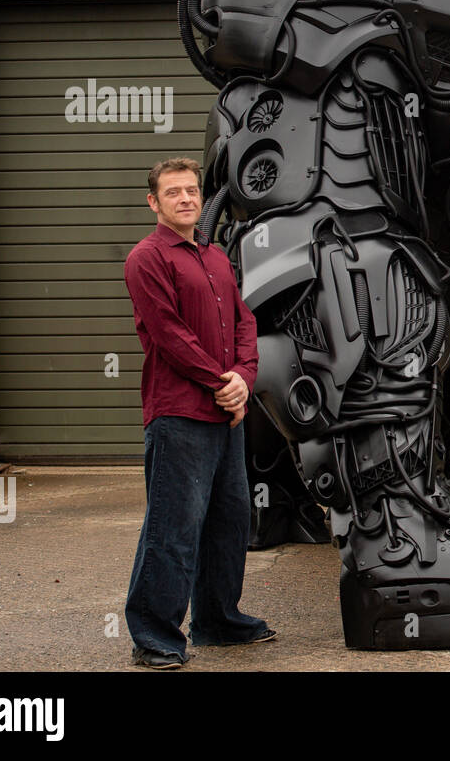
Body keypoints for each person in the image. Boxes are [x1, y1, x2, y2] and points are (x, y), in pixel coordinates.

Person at [123, 157, 275, 668]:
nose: (186, 199)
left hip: (225, 413)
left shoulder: (214, 258)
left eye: (192, 191)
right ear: (154, 202)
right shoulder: (147, 258)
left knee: (229, 522)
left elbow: (245, 322)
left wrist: (244, 379)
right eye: (174, 193)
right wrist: (221, 382)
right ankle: (156, 635)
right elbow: (168, 335)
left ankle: (218, 620)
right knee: (174, 527)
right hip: (180, 414)